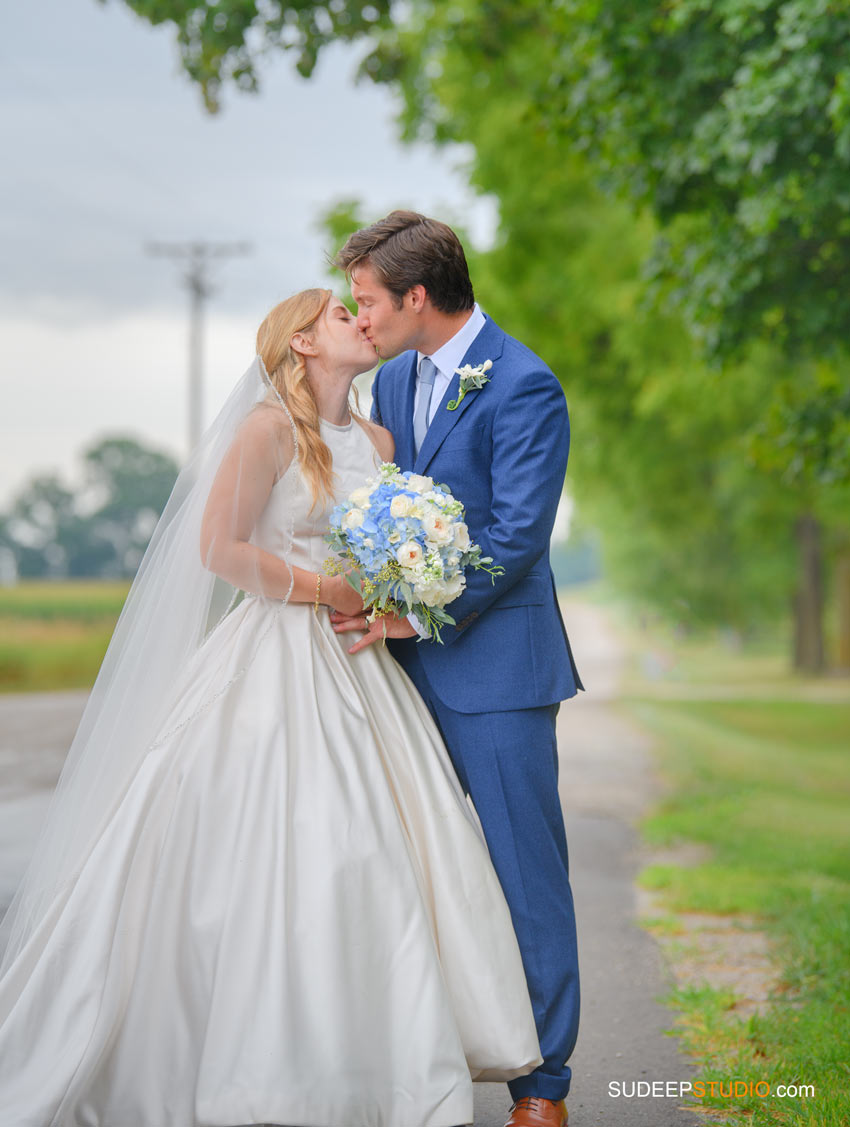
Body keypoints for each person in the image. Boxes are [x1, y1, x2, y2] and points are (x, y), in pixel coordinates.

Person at [0, 289, 542, 1127]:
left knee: (372, 854)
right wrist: (325, 586)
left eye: (361, 309)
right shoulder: (265, 431)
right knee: (274, 849)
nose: (361, 321)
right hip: (273, 657)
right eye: (340, 314)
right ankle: (239, 1063)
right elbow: (220, 548)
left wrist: (401, 579)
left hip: (360, 665)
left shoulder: (378, 439)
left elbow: (381, 544)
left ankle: (370, 1065)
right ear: (302, 340)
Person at [331, 213, 584, 1127]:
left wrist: (416, 610)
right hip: (397, 679)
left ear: (417, 296)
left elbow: (517, 533)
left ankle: (543, 1086)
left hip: (500, 672)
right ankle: (419, 1060)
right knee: (404, 872)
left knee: (524, 875)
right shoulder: (393, 380)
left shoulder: (525, 384)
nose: (362, 320)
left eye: (369, 302)